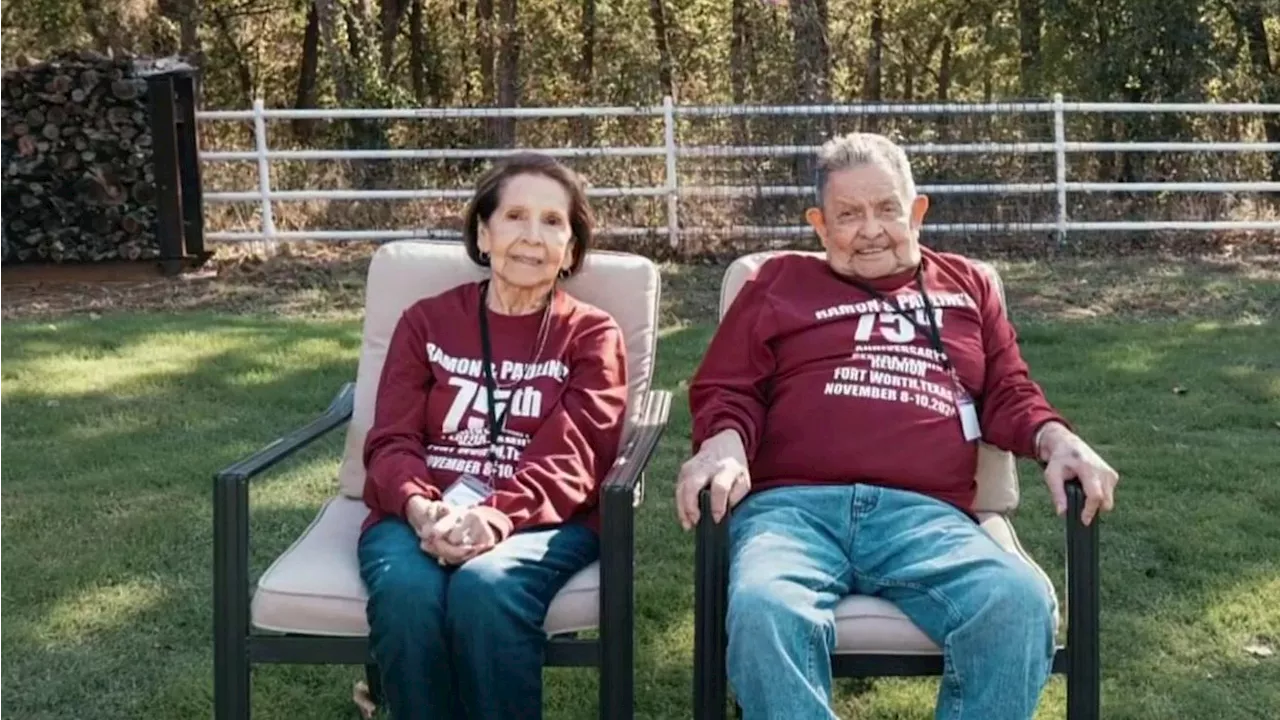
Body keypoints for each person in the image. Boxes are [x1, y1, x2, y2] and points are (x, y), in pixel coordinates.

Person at [675, 132, 1119, 720]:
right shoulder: (778, 282)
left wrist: (1057, 438)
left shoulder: (967, 285)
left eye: (886, 209)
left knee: (1018, 602)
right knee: (763, 608)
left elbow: (1009, 391)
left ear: (917, 210)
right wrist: (724, 440)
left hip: (927, 516)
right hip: (793, 511)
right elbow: (728, 387)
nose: (871, 229)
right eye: (849, 215)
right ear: (819, 224)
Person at [358, 152, 629, 720]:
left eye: (553, 222)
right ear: (484, 233)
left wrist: (493, 516)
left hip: (542, 520)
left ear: (572, 250)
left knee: (485, 590)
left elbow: (576, 456)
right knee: (408, 596)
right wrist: (420, 508)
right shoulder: (425, 322)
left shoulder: (592, 335)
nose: (533, 237)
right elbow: (391, 439)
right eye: (515, 217)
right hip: (421, 510)